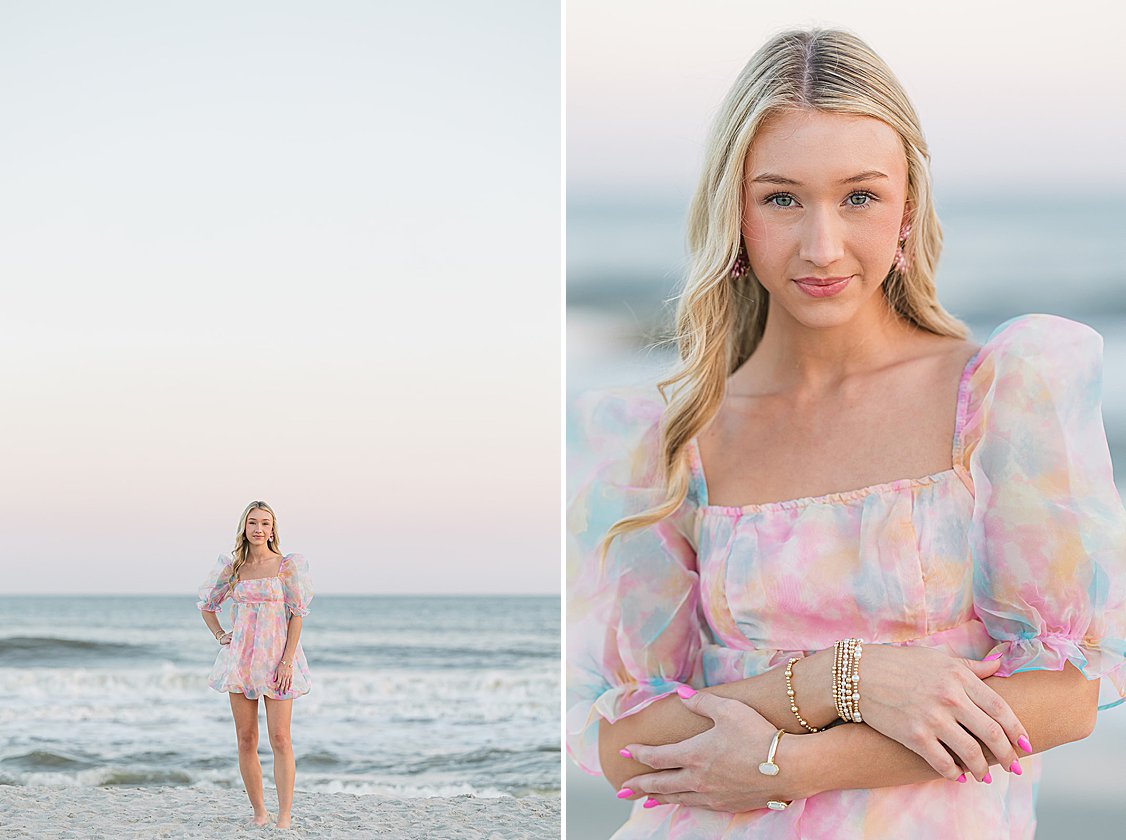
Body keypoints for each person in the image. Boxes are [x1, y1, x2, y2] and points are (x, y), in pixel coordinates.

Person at [566, 27, 1126, 838]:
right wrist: (841, 679)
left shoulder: (1004, 394)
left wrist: (796, 765)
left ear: (907, 208)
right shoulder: (666, 440)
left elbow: (1067, 692)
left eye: (859, 196)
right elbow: (621, 743)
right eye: (781, 198)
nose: (821, 246)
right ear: (736, 211)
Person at [197, 500, 314, 831]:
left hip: (278, 661)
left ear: (273, 529)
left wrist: (288, 661)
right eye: (252, 523)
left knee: (280, 738)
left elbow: (296, 616)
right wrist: (221, 635)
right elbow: (207, 605)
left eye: (265, 523)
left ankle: (284, 815)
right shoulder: (234, 568)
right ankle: (259, 812)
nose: (259, 528)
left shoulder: (286, 566)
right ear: (244, 528)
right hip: (241, 661)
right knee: (246, 738)